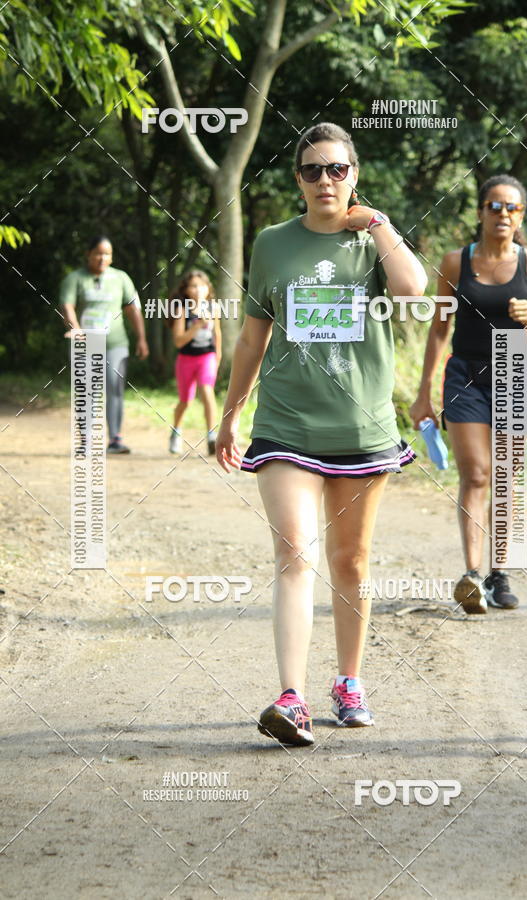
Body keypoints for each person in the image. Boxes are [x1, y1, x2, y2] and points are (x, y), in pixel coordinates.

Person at [216, 122, 427, 746]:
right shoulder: (272, 244)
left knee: (351, 563)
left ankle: (348, 682)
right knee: (294, 555)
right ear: (298, 180)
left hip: (362, 428)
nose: (325, 180)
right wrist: (231, 414)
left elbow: (416, 291)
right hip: (286, 424)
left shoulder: (372, 243)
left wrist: (379, 224)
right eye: (313, 170)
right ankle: (291, 697)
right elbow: (254, 335)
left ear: (354, 175)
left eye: (337, 169)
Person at [410, 175, 527, 614]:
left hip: (512, 365)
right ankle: (472, 574)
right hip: (465, 369)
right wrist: (422, 393)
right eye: (494, 206)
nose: (502, 214)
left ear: (521, 214)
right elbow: (438, 330)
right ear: (480, 213)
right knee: (475, 474)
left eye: (512, 207)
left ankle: (500, 573)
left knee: (506, 479)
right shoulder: (456, 262)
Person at [60, 235, 149, 453]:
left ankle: (116, 439)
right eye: (98, 253)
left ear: (112, 257)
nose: (102, 258)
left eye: (107, 254)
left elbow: (132, 309)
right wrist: (76, 329)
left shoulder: (121, 278)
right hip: (86, 345)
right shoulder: (75, 279)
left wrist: (141, 338)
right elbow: (67, 306)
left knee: (115, 388)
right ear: (88, 254)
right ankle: (86, 440)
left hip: (115, 344)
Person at [168, 270, 221, 456]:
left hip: (207, 358)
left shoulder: (213, 308)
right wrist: (197, 325)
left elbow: (217, 335)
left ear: (208, 289)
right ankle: (176, 432)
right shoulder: (182, 310)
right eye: (194, 286)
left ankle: (212, 436)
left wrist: (218, 358)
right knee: (185, 401)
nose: (198, 290)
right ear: (187, 290)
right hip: (186, 360)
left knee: (207, 391)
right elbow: (178, 341)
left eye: (202, 285)